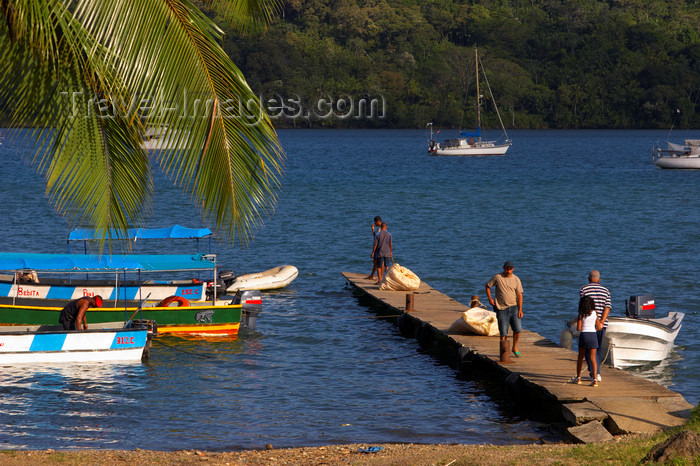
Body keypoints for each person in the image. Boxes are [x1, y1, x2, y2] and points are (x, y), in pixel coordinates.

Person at [485, 261, 524, 357]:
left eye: (510, 269)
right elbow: (487, 286)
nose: (508, 271)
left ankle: (514, 347)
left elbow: (519, 295)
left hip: (514, 307)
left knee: (518, 329)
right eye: (507, 269)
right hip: (501, 308)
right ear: (504, 268)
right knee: (503, 332)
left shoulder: (516, 279)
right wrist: (490, 298)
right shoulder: (497, 277)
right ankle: (503, 353)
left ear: (513, 269)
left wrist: (520, 310)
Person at [579, 270, 611, 382]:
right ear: (599, 279)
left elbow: (583, 306)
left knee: (588, 351)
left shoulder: (584, 289)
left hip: (588, 325)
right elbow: (607, 307)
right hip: (601, 325)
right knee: (597, 349)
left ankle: (594, 374)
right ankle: (596, 374)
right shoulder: (606, 290)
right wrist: (601, 321)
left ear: (589, 278)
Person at [572, 295, 602, 387]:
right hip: (593, 336)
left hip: (584, 335)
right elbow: (599, 327)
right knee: (593, 358)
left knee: (580, 357)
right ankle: (595, 379)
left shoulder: (581, 314)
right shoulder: (595, 314)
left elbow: (578, 328)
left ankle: (578, 378)